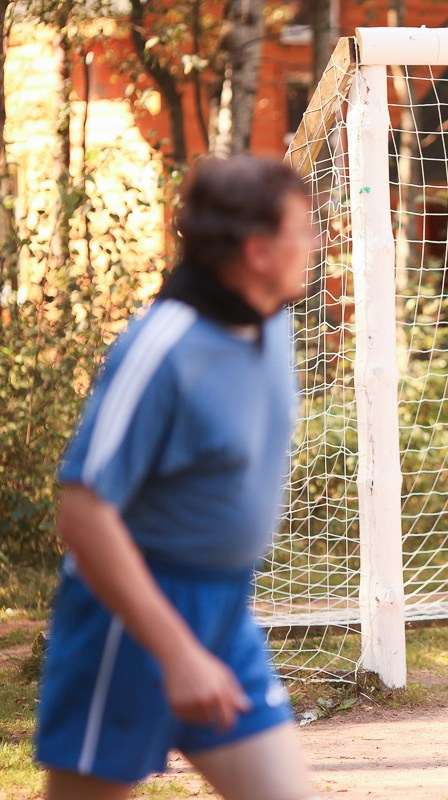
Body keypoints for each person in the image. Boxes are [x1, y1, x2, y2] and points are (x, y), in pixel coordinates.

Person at [35, 156, 320, 800]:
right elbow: (82, 514)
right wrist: (177, 651)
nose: (314, 243)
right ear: (255, 250)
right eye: (301, 230)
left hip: (224, 609)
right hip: (127, 619)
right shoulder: (162, 350)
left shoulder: (273, 321)